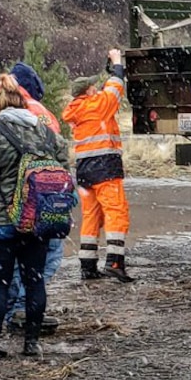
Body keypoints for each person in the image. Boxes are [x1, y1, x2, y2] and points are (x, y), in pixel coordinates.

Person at [0, 74, 69, 360]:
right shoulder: (47, 133)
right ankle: (31, 344)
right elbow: (62, 169)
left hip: (0, 223)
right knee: (34, 281)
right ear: (25, 104)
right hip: (36, 221)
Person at [62, 48, 133, 283]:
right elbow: (115, 87)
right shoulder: (99, 105)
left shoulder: (78, 109)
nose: (96, 87)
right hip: (105, 167)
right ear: (89, 91)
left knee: (90, 216)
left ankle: (88, 266)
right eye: (93, 86)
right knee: (116, 212)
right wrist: (116, 61)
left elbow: (107, 91)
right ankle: (115, 262)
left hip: (84, 170)